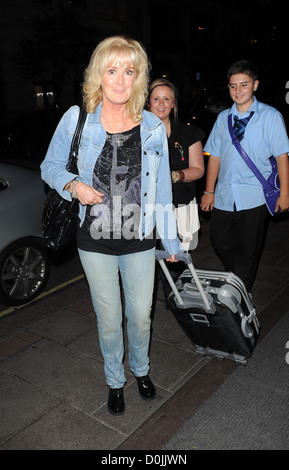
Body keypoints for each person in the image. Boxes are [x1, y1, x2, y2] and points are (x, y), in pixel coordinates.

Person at [41, 36, 183, 416]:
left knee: (140, 315)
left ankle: (140, 370)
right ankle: (115, 381)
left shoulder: (153, 126)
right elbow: (50, 167)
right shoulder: (77, 118)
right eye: (112, 70)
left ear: (139, 78)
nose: (121, 80)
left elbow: (163, 190)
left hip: (139, 236)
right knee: (109, 319)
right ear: (99, 74)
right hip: (94, 239)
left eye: (129, 71)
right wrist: (74, 186)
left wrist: (170, 240)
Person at [200, 60, 289, 291]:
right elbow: (215, 157)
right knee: (219, 241)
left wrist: (285, 194)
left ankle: (240, 294)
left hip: (255, 195)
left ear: (255, 85)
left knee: (249, 249)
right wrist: (209, 192)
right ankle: (238, 278)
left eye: (244, 85)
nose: (238, 91)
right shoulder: (223, 119)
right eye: (233, 86)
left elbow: (282, 157)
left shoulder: (270, 116)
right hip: (224, 195)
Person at [147, 78, 205, 296]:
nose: (161, 104)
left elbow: (198, 169)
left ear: (174, 104)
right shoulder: (138, 133)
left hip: (180, 207)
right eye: (156, 99)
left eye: (166, 99)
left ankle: (176, 300)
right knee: (147, 261)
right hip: (147, 210)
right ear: (148, 103)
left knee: (175, 265)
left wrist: (173, 176)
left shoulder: (188, 133)